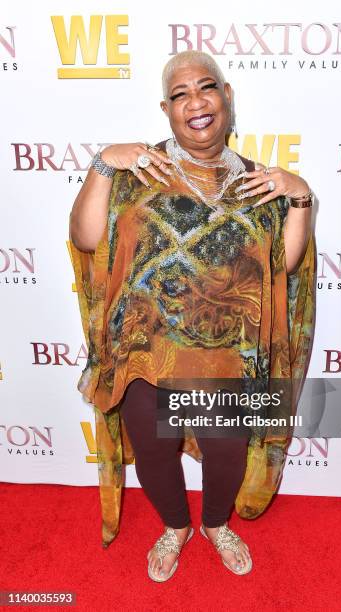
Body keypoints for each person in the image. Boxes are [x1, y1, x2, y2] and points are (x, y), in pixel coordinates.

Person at [69, 50, 316, 582]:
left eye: (206, 88)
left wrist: (300, 198)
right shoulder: (138, 169)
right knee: (154, 453)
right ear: (166, 108)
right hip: (143, 349)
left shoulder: (259, 183)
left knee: (228, 456)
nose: (195, 102)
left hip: (226, 352)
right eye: (180, 94)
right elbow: (86, 238)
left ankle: (215, 524)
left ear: (227, 98)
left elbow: (286, 265)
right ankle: (175, 527)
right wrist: (102, 162)